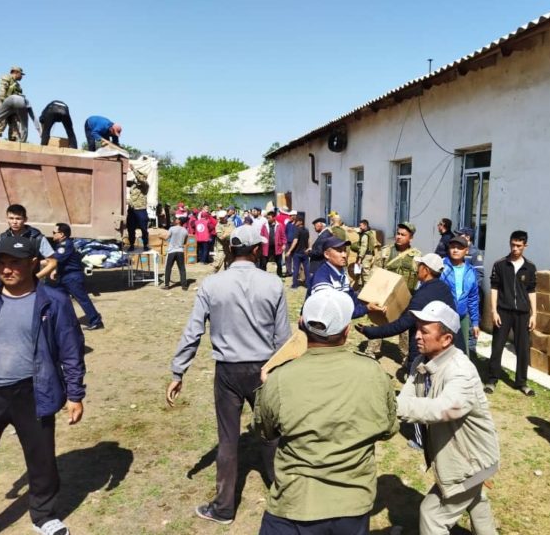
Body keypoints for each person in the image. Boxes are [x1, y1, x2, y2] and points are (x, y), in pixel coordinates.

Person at [166, 225, 291, 526]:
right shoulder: (273, 284)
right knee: (272, 434)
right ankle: (286, 496)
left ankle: (223, 508)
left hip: (228, 371)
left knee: (228, 439)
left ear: (231, 250)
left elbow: (194, 331)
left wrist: (178, 370)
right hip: (265, 369)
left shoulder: (212, 284)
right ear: (257, 250)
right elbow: (283, 338)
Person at [254, 289, 398, 534]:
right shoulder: (373, 373)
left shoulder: (279, 378)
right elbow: (389, 429)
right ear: (347, 330)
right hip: (352, 503)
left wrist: (268, 387)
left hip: (295, 501)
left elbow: (266, 431)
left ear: (302, 324)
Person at [0, 235, 86, 535]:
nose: (6, 269)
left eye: (15, 263)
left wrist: (75, 394)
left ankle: (44, 516)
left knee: (41, 459)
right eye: (1, 262)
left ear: (33, 263)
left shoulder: (53, 301)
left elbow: (71, 349)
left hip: (33, 392)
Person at [397, 300, 500, 535]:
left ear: (446, 339)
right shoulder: (420, 363)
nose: (417, 336)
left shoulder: (461, 371)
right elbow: (405, 399)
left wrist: (391, 407)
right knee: (475, 500)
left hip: (471, 462)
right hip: (461, 458)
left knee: (432, 515)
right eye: (417, 329)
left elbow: (443, 409)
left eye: (424, 331)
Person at [486, 230, 537, 396]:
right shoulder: (500, 264)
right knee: (497, 346)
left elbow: (531, 291)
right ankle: (492, 379)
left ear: (525, 246)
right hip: (503, 311)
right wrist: (494, 311)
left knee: (523, 348)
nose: (515, 248)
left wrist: (534, 314)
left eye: (519, 246)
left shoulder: (530, 267)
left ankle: (521, 382)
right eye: (513, 245)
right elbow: (494, 288)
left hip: (523, 313)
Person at [366, 222, 421, 360]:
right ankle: (371, 351)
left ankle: (406, 356)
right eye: (398, 233)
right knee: (378, 322)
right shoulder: (386, 252)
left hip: (406, 298)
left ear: (411, 238)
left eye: (403, 235)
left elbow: (420, 276)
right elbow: (375, 272)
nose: (399, 237)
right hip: (385, 295)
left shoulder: (417, 256)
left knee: (405, 329)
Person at [308, 236, 384, 319]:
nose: (344, 255)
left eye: (344, 250)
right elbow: (333, 312)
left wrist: (368, 302)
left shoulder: (341, 272)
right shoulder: (322, 278)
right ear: (327, 254)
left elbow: (350, 296)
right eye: (339, 251)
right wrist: (366, 308)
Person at [51, 223, 104, 330]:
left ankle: (96, 321)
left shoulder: (65, 245)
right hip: (66, 276)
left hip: (71, 277)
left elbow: (55, 260)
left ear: (61, 234)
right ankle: (62, 321)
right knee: (58, 298)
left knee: (82, 299)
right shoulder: (65, 244)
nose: (52, 234)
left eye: (54, 232)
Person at [0, 204, 57, 281]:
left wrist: (35, 278)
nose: (14, 222)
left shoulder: (37, 238)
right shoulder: (2, 237)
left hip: (29, 285)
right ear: (7, 219)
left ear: (25, 219)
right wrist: (4, 277)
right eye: (11, 218)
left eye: (18, 218)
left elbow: (53, 262)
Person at [440, 235, 480, 357]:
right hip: (443, 316)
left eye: (459, 248)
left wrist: (475, 322)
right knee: (441, 349)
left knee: (462, 351)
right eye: (452, 247)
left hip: (462, 316)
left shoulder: (471, 271)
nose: (455, 250)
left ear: (466, 251)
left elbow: (473, 299)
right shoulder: (441, 267)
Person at [0, 66, 23, 140]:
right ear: (16, 72)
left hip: (14, 105)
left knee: (15, 122)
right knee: (2, 120)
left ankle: (13, 138)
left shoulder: (17, 85)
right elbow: (2, 91)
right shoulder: (6, 78)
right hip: (5, 102)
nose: (21, 76)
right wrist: (5, 102)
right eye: (21, 74)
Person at [126, 165, 150, 252]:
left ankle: (145, 245)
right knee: (130, 228)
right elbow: (124, 182)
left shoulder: (145, 185)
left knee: (144, 229)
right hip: (132, 210)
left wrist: (133, 169)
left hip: (141, 210)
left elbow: (140, 180)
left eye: (140, 175)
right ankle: (131, 244)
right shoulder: (134, 185)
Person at [162, 217, 188, 290]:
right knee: (182, 268)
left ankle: (166, 285)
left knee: (168, 268)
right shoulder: (185, 230)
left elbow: (166, 238)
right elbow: (185, 242)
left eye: (177, 219)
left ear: (179, 221)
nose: (175, 220)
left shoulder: (172, 228)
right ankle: (184, 285)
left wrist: (160, 236)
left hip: (172, 251)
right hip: (180, 251)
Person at [306, 217, 332, 288]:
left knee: (315, 285)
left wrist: (309, 252)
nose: (314, 227)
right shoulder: (325, 234)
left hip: (319, 265)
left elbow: (319, 252)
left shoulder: (324, 235)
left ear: (321, 224)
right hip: (320, 264)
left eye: (315, 225)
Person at [285, 216, 309, 289]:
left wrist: (289, 251)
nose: (295, 222)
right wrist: (308, 248)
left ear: (301, 222)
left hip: (297, 253)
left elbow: (295, 241)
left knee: (296, 269)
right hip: (305, 252)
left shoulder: (297, 230)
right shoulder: (306, 230)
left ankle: (295, 285)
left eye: (297, 221)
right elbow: (308, 240)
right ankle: (308, 284)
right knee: (306, 269)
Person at [259, 211, 286, 276]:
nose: (268, 219)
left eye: (269, 218)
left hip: (277, 247)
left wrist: (284, 244)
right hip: (266, 247)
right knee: (264, 263)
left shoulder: (279, 225)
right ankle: (263, 276)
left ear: (274, 218)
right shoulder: (264, 226)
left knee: (279, 263)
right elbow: (261, 236)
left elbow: (283, 236)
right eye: (267, 218)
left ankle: (279, 275)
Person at [354, 219, 377, 289]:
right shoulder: (370, 233)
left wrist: (360, 258)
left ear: (365, 225)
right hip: (369, 255)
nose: (360, 227)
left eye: (361, 226)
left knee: (365, 274)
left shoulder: (365, 235)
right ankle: (359, 287)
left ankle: (366, 289)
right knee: (359, 272)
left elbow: (364, 247)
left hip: (365, 256)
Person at [283, 210, 298, 277]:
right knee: (287, 257)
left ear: (295, 216)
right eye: (290, 216)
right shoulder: (288, 224)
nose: (290, 217)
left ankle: (295, 272)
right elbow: (285, 233)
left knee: (295, 258)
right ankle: (288, 272)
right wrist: (285, 242)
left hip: (295, 243)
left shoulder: (297, 224)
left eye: (292, 216)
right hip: (288, 243)